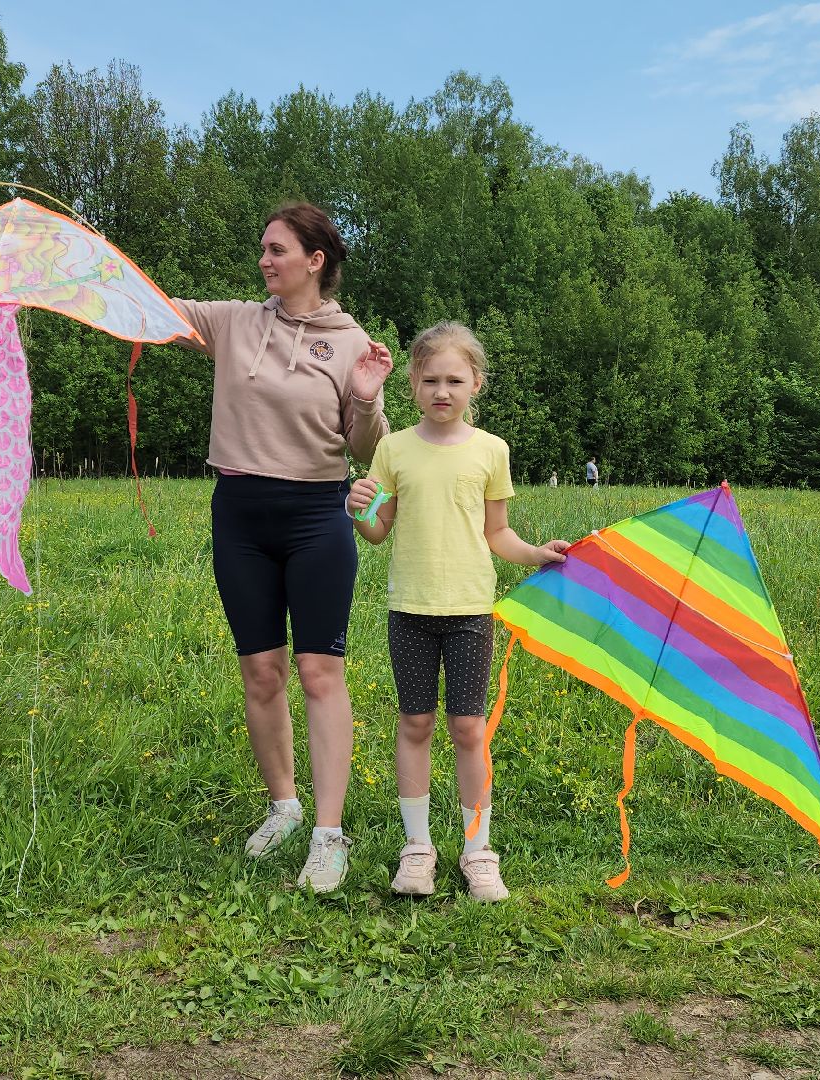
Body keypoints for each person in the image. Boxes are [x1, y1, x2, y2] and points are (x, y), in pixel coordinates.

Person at [169, 203, 393, 894]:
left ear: (314, 261)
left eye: (276, 250)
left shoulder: (351, 341)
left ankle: (330, 836)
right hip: (238, 514)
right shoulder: (235, 321)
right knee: (261, 672)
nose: (264, 261)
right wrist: (70, 265)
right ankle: (284, 808)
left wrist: (366, 399)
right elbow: (149, 309)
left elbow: (369, 451)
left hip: (314, 516)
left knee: (320, 673)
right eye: (262, 249)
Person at [347, 322, 569, 902]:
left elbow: (498, 533)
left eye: (454, 380)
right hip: (410, 610)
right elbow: (377, 533)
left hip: (471, 611)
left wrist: (537, 555)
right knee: (414, 724)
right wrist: (358, 512)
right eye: (429, 380)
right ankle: (417, 851)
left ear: (476, 384)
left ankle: (477, 852)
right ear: (412, 385)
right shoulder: (391, 450)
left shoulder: (492, 451)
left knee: (469, 728)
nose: (441, 390)